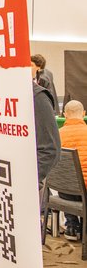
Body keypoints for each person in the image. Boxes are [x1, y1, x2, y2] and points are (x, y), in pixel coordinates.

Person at [57, 100, 87, 240]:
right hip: (85, 190)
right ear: (84, 114)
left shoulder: (57, 135)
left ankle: (72, 226)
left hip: (65, 191)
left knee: (64, 180)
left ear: (65, 115)